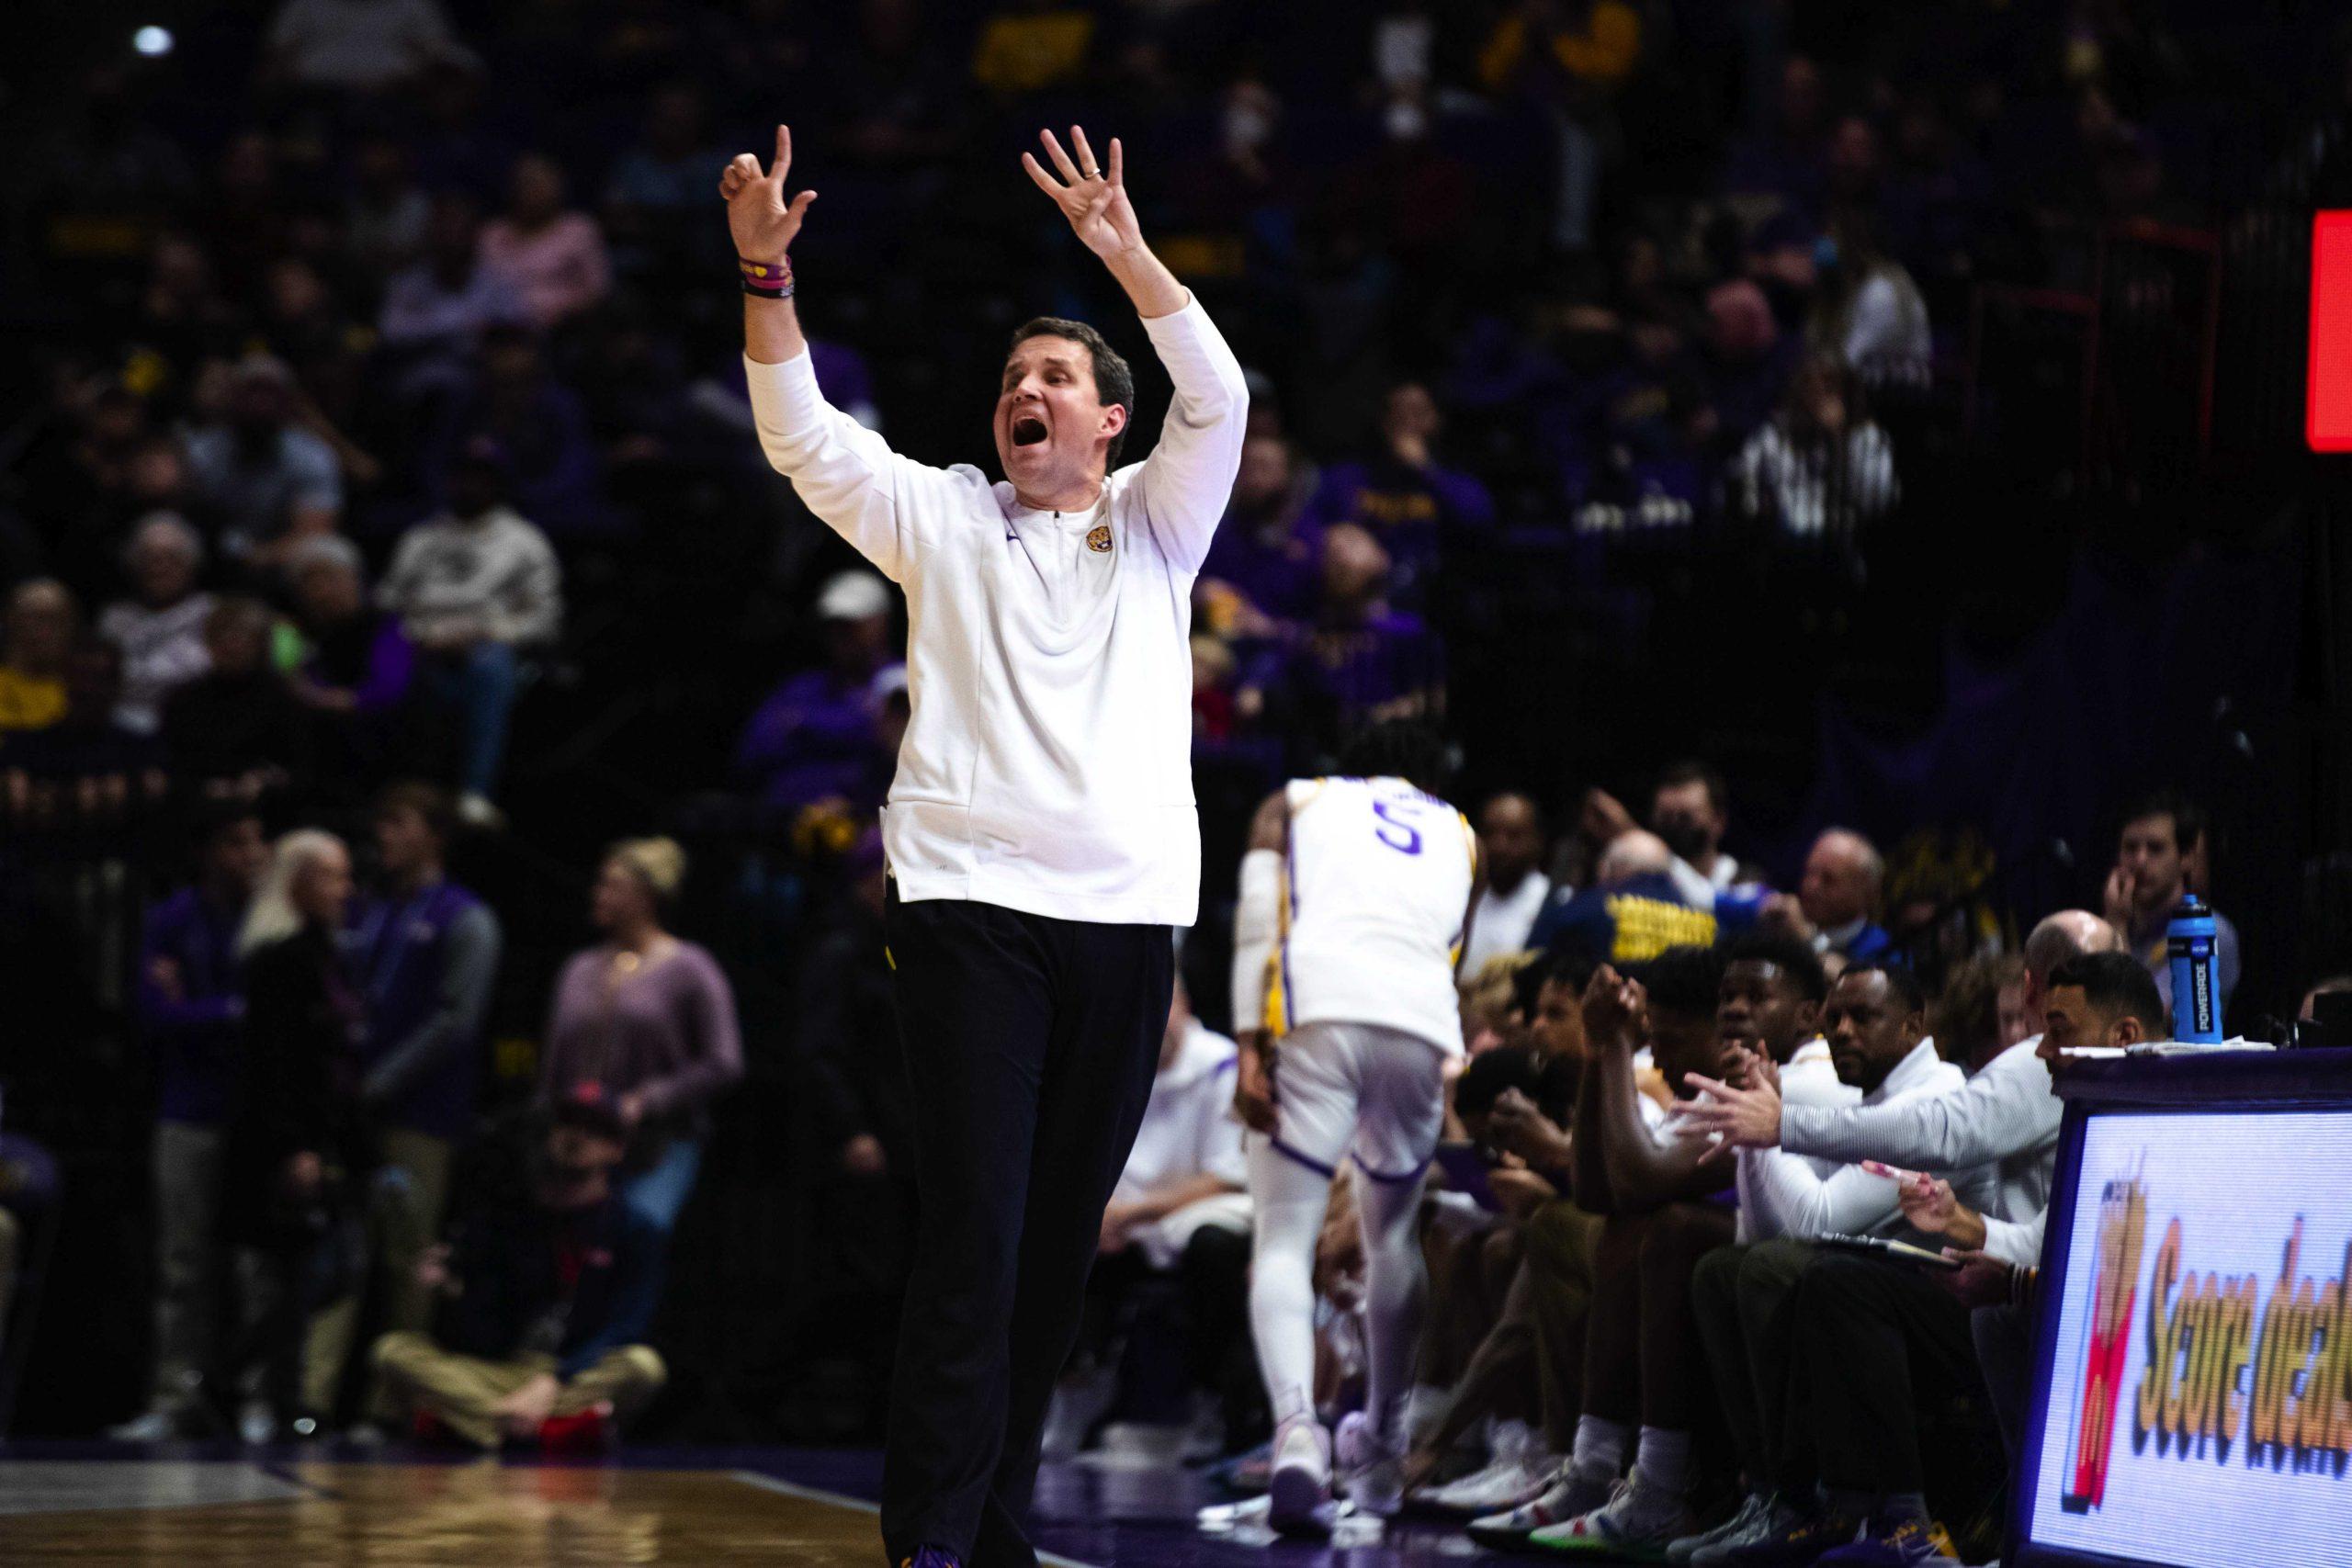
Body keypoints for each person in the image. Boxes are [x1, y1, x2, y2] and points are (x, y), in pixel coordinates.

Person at [723, 120, 1245, 1568]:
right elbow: (800, 438)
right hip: (969, 912)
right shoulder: (944, 516)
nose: (1026, 389)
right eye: (1014, 376)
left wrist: (1123, 255)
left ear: (1108, 424)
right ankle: (932, 1537)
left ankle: (996, 1520)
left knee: (1054, 1247)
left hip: (1132, 919)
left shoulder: (1159, 527)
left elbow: (1222, 390)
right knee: (975, 1233)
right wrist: (768, 272)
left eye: (1056, 378)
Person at [1227, 721, 1478, 1534]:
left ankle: (1298, 1427)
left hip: (1318, 1005)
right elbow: (1451, 950)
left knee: (1282, 1238)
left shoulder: (1297, 802)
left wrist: (1247, 1044)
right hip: (1420, 1021)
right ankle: (1384, 1442)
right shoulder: (1460, 834)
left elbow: (1259, 916)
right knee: (1392, 1238)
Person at [311, 783, 500, 1421]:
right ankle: (308, 1402)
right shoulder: (363, 911)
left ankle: (390, 1409)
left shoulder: (464, 917)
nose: (383, 835)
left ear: (434, 836)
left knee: (404, 1262)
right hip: (349, 1115)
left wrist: (380, 1081)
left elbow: (456, 1021)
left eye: (398, 822)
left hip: (419, 1117)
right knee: (339, 1256)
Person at [373, 1085, 666, 1452]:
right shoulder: (510, 1215)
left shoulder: (634, 1229)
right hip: (499, 1375)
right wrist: (452, 1292)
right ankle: (548, 1432)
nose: (576, 1137)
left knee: (644, 1366)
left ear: (617, 1149)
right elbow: (478, 1336)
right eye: (566, 1124)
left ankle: (474, 1426)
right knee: (392, 1352)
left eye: (595, 1130)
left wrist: (554, 1380)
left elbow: (627, 1326)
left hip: (573, 1374)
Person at [110, 803, 270, 1440]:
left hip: (256, 1116)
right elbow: (155, 1013)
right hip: (187, 1110)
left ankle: (261, 1399)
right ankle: (174, 1394)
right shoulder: (171, 920)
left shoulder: (270, 922)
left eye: (258, 841)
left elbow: (274, 1022)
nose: (251, 855)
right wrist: (230, 1010)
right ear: (206, 851)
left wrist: (205, 1009)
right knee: (182, 1263)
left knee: (257, 1268)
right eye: (235, 841)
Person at [1046, 981, 1253, 1461]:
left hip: (1203, 1208)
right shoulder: (1114, 1062)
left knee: (1213, 1251)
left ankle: (1213, 1397)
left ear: (1186, 1005)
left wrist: (1132, 1213)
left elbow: (1226, 1175)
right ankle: (1074, 1388)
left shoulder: (1222, 1065)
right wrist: (1103, 1213)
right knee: (1064, 1244)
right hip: (1129, 1217)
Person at [217, 829, 363, 1438]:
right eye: (333, 876)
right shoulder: (281, 958)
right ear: (298, 880)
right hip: (284, 1142)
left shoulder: (324, 951)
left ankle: (243, 1387)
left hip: (319, 1137)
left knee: (318, 1272)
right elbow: (272, 1064)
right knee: (299, 1274)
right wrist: (292, 1147)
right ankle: (263, 1396)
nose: (345, 889)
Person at [538, 838, 741, 1262]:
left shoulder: (690, 968)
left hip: (657, 1143)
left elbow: (724, 1061)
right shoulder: (580, 968)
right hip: (579, 1137)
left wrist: (648, 1099)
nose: (599, 895)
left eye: (612, 885)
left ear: (646, 895)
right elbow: (554, 1061)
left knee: (635, 1235)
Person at [378, 438, 562, 824]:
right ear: (449, 481)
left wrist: (490, 632)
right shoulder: (422, 539)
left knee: (489, 665)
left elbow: (546, 616)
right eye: (463, 476)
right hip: (422, 644)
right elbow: (387, 602)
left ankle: (474, 793)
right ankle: (404, 790)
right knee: (388, 654)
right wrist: (421, 635)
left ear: (498, 483)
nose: (471, 485)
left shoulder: (524, 541)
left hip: (487, 646)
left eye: (482, 477)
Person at [732, 570, 902, 817]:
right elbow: (752, 752)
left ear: (880, 622)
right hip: (786, 822)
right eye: (833, 624)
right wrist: (858, 727)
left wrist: (802, 725)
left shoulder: (902, 682)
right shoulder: (802, 687)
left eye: (851, 624)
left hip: (870, 825)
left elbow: (892, 750)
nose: (841, 634)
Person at [181, 354, 343, 572]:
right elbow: (184, 519)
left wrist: (256, 558)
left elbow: (313, 533)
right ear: (232, 397)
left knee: (323, 553)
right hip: (206, 560)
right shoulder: (200, 453)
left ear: (289, 403)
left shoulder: (312, 456)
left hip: (282, 565)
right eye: (252, 392)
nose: (260, 404)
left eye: (270, 394)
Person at [2101, 788, 2240, 1020]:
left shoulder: (2206, 930)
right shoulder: (2115, 929)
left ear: (2186, 856)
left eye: (2155, 848)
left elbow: (2143, 1017)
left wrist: (2116, 927)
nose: (2140, 860)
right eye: (2131, 847)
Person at [158, 597, 311, 803]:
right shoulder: (182, 700)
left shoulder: (283, 698)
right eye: (222, 635)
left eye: (242, 636)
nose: (231, 645)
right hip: (199, 808)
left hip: (269, 808)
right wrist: (206, 787)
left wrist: (265, 781)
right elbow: (173, 768)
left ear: (261, 643)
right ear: (209, 642)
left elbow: (300, 769)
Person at [96, 513, 214, 735]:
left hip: (194, 731)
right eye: (149, 558)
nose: (159, 568)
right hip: (119, 732)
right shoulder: (114, 618)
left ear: (192, 564)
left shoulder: (213, 614)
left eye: (172, 558)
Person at [479, 153, 611, 330]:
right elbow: (477, 290)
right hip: (503, 330)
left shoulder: (579, 229)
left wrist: (563, 315)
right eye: (527, 182)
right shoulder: (492, 233)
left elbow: (599, 290)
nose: (535, 191)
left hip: (567, 329)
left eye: (542, 183)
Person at [1762, 829, 1893, 967]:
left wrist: (1807, 939)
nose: (1812, 886)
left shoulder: (1884, 950)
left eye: (1829, 879)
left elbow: (1844, 981)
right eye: (1810, 873)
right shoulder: (1779, 924)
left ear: (1868, 892)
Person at [1462, 791, 1553, 976]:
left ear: (1537, 841)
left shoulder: (1553, 901)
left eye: (1513, 835)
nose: (1498, 846)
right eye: (1489, 833)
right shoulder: (1461, 894)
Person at [0, 580, 76, 733]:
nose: (47, 631)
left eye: (59, 620)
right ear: (11, 622)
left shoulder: (81, 691)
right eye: (37, 618)